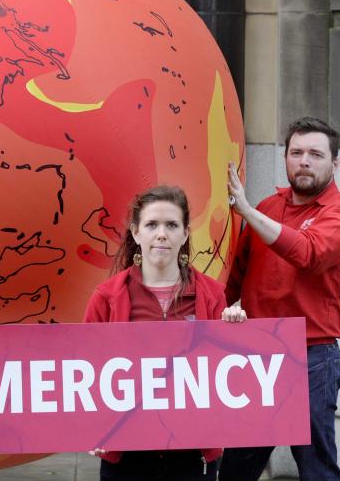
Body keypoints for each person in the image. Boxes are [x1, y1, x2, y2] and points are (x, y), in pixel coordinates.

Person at [220, 117, 340, 481]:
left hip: (311, 356)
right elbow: (235, 276)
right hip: (256, 354)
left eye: (316, 154)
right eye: (296, 152)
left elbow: (308, 253)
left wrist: (247, 211)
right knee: (236, 468)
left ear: (335, 163)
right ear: (285, 157)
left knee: (317, 470)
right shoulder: (268, 207)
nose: (304, 161)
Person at [84, 185, 247, 481]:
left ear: (185, 234)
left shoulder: (212, 295)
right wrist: (93, 427)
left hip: (192, 454)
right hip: (126, 454)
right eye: (152, 225)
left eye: (171, 225)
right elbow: (85, 368)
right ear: (136, 233)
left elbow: (227, 372)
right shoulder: (106, 297)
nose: (162, 234)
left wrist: (237, 332)